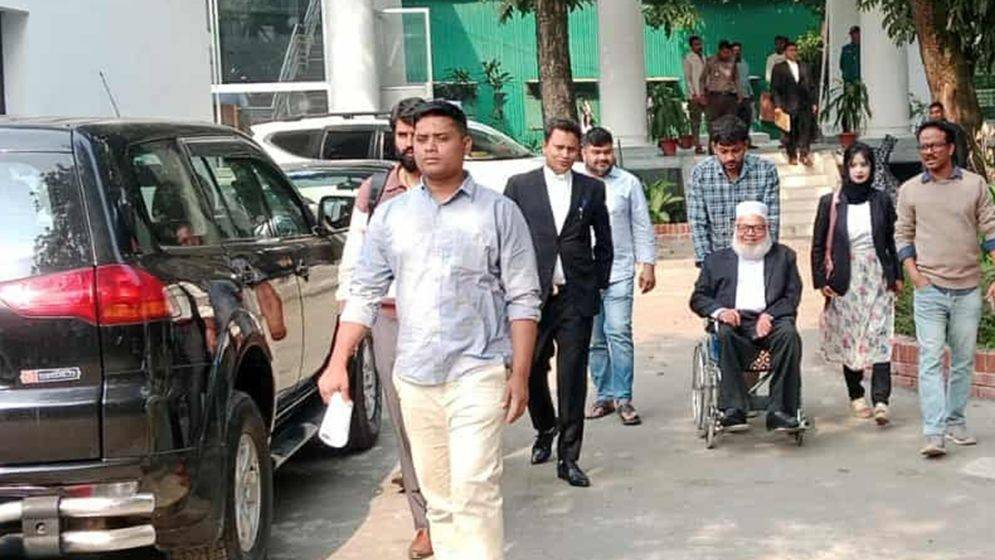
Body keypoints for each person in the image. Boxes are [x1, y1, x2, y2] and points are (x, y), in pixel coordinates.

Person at [318, 100, 542, 559]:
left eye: (441, 138)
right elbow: (364, 293)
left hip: (477, 370)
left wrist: (520, 374)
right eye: (421, 139)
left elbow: (524, 298)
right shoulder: (391, 216)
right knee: (438, 496)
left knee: (475, 487)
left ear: (466, 144)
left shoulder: (499, 212)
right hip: (415, 375)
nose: (429, 148)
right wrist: (338, 361)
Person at [334, 97, 434, 558]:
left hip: (445, 319)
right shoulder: (375, 192)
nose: (412, 144)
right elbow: (354, 259)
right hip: (390, 316)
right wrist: (348, 325)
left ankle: (456, 505)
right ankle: (425, 520)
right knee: (406, 419)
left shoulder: (449, 187)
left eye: (420, 135)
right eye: (404, 135)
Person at [504, 118, 612, 488]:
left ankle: (569, 457)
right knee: (531, 365)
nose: (565, 155)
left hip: (575, 295)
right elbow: (507, 240)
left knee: (572, 375)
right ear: (545, 146)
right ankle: (545, 426)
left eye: (571, 149)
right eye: (559, 148)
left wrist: (598, 282)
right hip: (531, 297)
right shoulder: (520, 186)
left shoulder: (591, 188)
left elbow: (604, 241)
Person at [895, 119, 995, 458]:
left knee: (963, 360)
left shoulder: (974, 185)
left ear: (950, 147)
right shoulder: (910, 190)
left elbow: (991, 232)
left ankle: (955, 421)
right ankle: (934, 432)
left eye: (935, 145)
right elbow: (902, 234)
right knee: (930, 359)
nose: (928, 151)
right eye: (923, 146)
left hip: (968, 287)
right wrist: (915, 275)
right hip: (930, 289)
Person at [689, 201, 803, 432]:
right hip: (734, 321)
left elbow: (792, 296)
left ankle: (780, 412)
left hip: (771, 321)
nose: (750, 233)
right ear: (736, 228)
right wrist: (721, 312)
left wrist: (769, 315)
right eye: (745, 228)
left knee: (789, 335)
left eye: (757, 228)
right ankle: (733, 409)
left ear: (767, 229)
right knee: (725, 334)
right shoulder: (716, 260)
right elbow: (698, 297)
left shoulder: (784, 257)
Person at [811, 143, 901, 426]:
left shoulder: (882, 200)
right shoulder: (831, 202)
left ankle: (882, 400)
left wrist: (897, 275)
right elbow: (818, 245)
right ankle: (856, 395)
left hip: (877, 275)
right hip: (845, 277)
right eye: (854, 165)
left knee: (880, 334)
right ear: (846, 168)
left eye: (864, 164)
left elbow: (891, 241)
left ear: (872, 168)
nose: (859, 170)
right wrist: (821, 280)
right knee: (851, 337)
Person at [578, 127, 657, 426]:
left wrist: (648, 264)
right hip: (583, 274)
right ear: (584, 152)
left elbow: (641, 224)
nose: (602, 158)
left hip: (620, 270)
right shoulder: (574, 182)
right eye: (596, 152)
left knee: (619, 331)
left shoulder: (628, 183)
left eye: (607, 152)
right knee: (594, 339)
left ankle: (623, 398)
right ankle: (604, 395)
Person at [687, 115, 781, 264]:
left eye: (735, 151)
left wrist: (770, 259)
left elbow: (771, 220)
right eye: (723, 151)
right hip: (718, 258)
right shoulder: (700, 174)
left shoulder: (766, 170)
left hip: (756, 258)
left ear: (745, 145)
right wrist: (705, 262)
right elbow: (697, 222)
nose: (730, 157)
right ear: (714, 147)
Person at [771, 41, 818, 166]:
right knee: (790, 131)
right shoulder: (779, 68)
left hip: (804, 103)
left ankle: (804, 154)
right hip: (787, 104)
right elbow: (775, 89)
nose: (793, 53)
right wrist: (778, 106)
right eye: (791, 50)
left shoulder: (805, 66)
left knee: (805, 129)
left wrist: (814, 102)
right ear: (785, 52)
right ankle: (791, 155)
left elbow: (812, 85)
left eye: (795, 50)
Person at [701, 40, 745, 127]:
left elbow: (736, 78)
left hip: (729, 96)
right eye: (724, 52)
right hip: (714, 96)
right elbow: (702, 79)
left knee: (729, 122)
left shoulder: (732, 61)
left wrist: (739, 93)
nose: (726, 55)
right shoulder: (711, 61)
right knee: (714, 122)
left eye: (728, 52)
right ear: (719, 51)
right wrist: (702, 94)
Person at [927, 102, 971, 170]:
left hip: (951, 167)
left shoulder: (954, 129)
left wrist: (960, 168)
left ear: (943, 113)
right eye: (932, 113)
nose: (935, 115)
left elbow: (961, 151)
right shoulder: (927, 132)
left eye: (937, 112)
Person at [683, 35, 708, 154]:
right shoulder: (689, 58)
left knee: (709, 120)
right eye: (696, 44)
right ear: (691, 46)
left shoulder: (704, 57)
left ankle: (712, 144)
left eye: (700, 44)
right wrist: (693, 94)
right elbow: (687, 78)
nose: (699, 46)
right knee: (695, 121)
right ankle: (696, 145)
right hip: (695, 95)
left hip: (705, 94)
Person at [731, 42, 754, 132]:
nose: (737, 52)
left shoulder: (744, 63)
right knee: (735, 120)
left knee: (747, 118)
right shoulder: (728, 65)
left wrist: (750, 93)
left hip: (746, 95)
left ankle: (745, 138)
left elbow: (746, 80)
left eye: (738, 50)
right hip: (734, 96)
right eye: (734, 50)